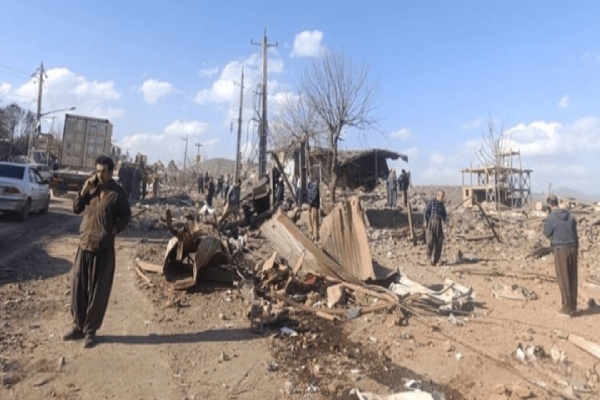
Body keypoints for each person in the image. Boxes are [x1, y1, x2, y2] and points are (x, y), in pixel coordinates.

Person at [63, 155, 131, 348]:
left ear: (110, 172)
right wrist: (84, 190)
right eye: (97, 171)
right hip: (84, 245)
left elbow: (126, 216)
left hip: (103, 249)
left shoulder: (118, 193)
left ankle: (90, 331)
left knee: (97, 293)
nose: (99, 175)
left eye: (103, 171)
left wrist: (115, 229)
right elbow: (76, 208)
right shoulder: (91, 189)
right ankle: (78, 326)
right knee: (78, 289)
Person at [543, 195, 579, 317]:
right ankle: (573, 306)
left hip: (561, 248)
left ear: (549, 205)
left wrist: (547, 218)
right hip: (573, 247)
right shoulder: (570, 215)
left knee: (563, 278)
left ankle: (567, 308)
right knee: (572, 276)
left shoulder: (552, 217)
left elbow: (547, 233)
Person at [424, 190, 448, 266]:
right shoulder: (431, 202)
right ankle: (428, 258)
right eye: (442, 196)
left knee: (439, 242)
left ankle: (436, 260)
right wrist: (425, 221)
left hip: (439, 223)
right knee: (430, 240)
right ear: (438, 195)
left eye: (443, 196)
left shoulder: (442, 205)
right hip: (431, 222)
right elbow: (425, 212)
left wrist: (446, 221)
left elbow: (444, 215)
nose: (442, 198)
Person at [307, 176, 320, 242]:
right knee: (315, 221)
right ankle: (315, 236)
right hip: (314, 206)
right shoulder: (315, 187)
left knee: (311, 221)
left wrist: (309, 204)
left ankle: (311, 235)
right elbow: (314, 197)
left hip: (310, 206)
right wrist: (311, 203)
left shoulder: (309, 187)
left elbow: (309, 197)